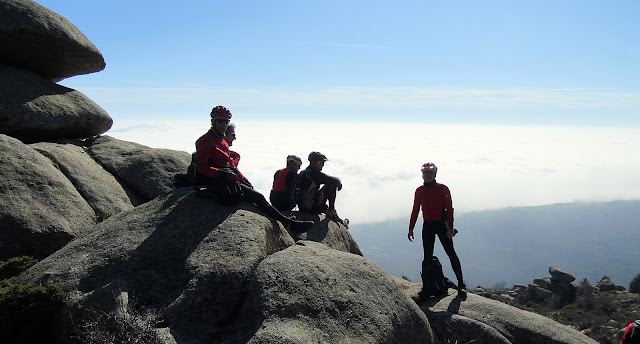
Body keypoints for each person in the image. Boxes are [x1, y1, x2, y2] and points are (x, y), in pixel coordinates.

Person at [195, 105, 313, 233]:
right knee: (258, 198)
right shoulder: (204, 141)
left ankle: (286, 221)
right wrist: (221, 174)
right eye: (220, 121)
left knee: (255, 196)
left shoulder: (222, 142)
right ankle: (289, 224)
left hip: (228, 178)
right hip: (217, 181)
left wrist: (244, 179)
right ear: (213, 121)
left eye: (226, 121)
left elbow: (230, 165)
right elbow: (202, 168)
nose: (224, 124)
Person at [408, 162, 465, 295]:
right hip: (427, 225)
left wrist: (450, 228)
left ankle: (461, 284)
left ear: (435, 174)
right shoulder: (419, 191)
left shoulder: (443, 189)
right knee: (427, 257)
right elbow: (415, 210)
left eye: (430, 173)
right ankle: (427, 287)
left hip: (441, 224)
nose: (427, 175)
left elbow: (449, 209)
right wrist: (411, 228)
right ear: (422, 175)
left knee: (451, 253)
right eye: (425, 173)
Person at [295, 151, 344, 222]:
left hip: (303, 207)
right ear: (313, 162)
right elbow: (334, 180)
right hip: (311, 207)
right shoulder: (313, 174)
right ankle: (331, 210)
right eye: (320, 163)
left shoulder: (304, 173)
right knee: (331, 184)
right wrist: (339, 183)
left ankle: (327, 210)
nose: (322, 165)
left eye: (323, 163)